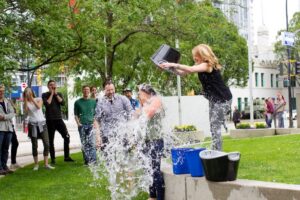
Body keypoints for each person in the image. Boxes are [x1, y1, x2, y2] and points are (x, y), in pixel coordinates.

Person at [160, 44, 232, 151]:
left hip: (223, 100)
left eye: (196, 55)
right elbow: (182, 73)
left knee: (215, 127)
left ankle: (217, 153)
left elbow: (190, 69)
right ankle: (216, 150)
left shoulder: (207, 65)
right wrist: (169, 67)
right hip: (215, 100)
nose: (194, 58)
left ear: (203, 55)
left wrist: (173, 63)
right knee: (213, 127)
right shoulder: (199, 65)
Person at [137, 84, 165, 200]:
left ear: (147, 92)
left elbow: (147, 115)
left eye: (140, 92)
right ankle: (152, 196)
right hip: (146, 141)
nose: (138, 95)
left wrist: (143, 105)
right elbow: (135, 116)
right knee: (148, 170)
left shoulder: (156, 100)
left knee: (155, 170)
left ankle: (160, 197)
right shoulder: (145, 103)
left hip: (156, 141)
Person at [42, 80, 74, 164]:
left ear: (56, 85)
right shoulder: (44, 95)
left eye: (53, 85)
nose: (52, 86)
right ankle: (53, 159)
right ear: (48, 86)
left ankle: (66, 157)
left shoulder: (58, 94)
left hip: (59, 119)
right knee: (51, 140)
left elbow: (62, 103)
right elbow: (47, 104)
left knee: (67, 137)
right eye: (50, 85)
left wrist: (55, 93)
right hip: (50, 120)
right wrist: (52, 93)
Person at [95, 80, 133, 151]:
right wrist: (98, 137)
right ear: (104, 90)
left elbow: (131, 115)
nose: (111, 92)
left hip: (122, 133)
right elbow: (97, 120)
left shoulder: (123, 99)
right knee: (108, 159)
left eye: (112, 89)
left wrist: (130, 133)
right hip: (106, 135)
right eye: (108, 90)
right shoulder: (100, 102)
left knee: (123, 158)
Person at [23, 88, 54, 170]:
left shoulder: (39, 99)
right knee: (34, 145)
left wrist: (32, 99)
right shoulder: (25, 103)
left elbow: (38, 107)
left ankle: (46, 164)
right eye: (26, 93)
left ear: (32, 92)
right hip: (32, 125)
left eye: (29, 92)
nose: (28, 94)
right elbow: (26, 112)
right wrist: (26, 100)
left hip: (42, 124)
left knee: (47, 144)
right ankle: (36, 164)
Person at [74, 86, 97, 165]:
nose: (86, 91)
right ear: (82, 91)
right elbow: (76, 115)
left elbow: (95, 114)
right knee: (84, 144)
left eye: (87, 90)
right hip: (82, 125)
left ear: (89, 91)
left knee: (92, 144)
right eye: (84, 89)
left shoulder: (93, 102)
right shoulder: (77, 102)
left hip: (91, 125)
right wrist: (78, 124)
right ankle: (87, 161)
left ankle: (93, 161)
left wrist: (94, 123)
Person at [0, 85, 15, 175]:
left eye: (2, 91)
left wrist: (4, 116)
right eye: (0, 91)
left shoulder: (7, 101)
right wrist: (7, 116)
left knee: (6, 148)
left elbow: (12, 113)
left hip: (9, 128)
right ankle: (0, 168)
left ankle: (4, 166)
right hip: (0, 129)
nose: (1, 92)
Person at [9, 99, 21, 170]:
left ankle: (13, 163)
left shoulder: (7, 101)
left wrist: (12, 106)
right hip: (3, 127)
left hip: (10, 126)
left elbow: (14, 112)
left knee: (15, 143)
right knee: (4, 146)